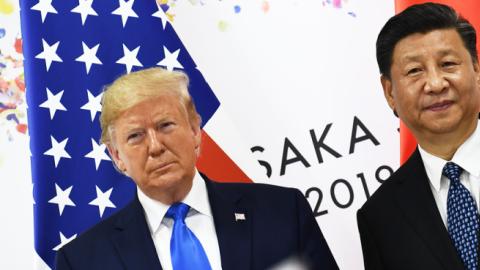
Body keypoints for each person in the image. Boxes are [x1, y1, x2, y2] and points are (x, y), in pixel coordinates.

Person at [55, 67, 338, 270]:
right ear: (117, 156)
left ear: (195, 131)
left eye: (165, 125)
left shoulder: (282, 212)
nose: (155, 146)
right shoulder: (83, 260)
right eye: (135, 136)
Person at [357, 2, 480, 270]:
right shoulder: (379, 217)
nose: (436, 84)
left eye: (447, 63)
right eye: (414, 71)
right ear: (389, 92)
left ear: (476, 69)